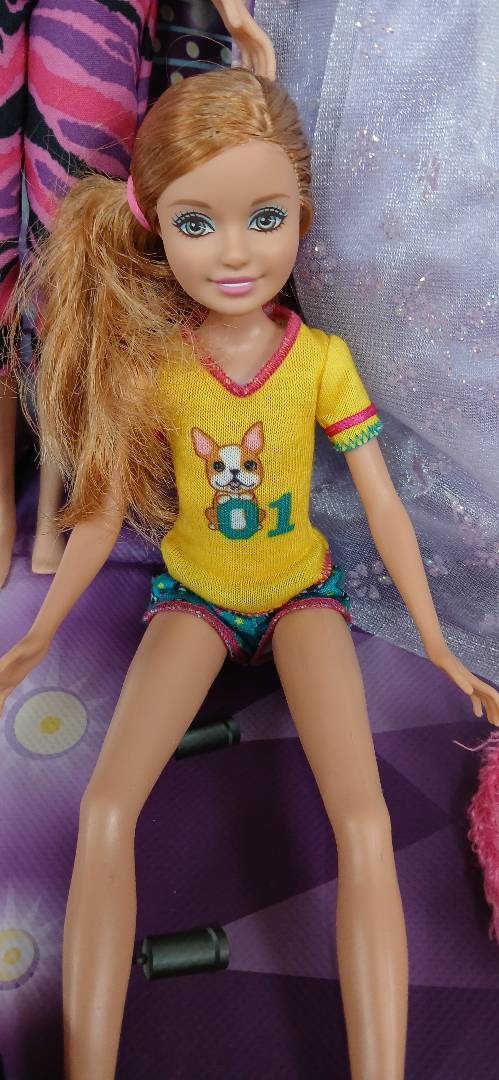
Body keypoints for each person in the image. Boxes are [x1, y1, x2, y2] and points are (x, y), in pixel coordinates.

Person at [0, 68, 497, 1080]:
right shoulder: (159, 367)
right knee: (104, 809)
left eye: (263, 218)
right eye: (199, 224)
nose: (234, 253)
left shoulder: (319, 362)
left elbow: (383, 504)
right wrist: (41, 632)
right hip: (193, 594)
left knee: (363, 820)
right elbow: (102, 510)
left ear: (300, 220)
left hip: (301, 591)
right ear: (154, 227)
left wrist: (439, 643)